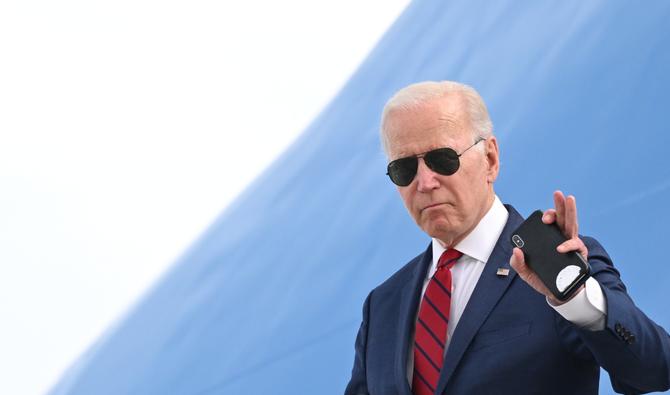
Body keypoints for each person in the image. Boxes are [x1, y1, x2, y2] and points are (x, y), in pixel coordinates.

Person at [344, 81, 670, 394]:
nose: (425, 182)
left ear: (490, 159)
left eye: (442, 159)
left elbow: (654, 370)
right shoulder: (382, 305)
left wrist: (575, 298)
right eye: (404, 168)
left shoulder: (557, 262)